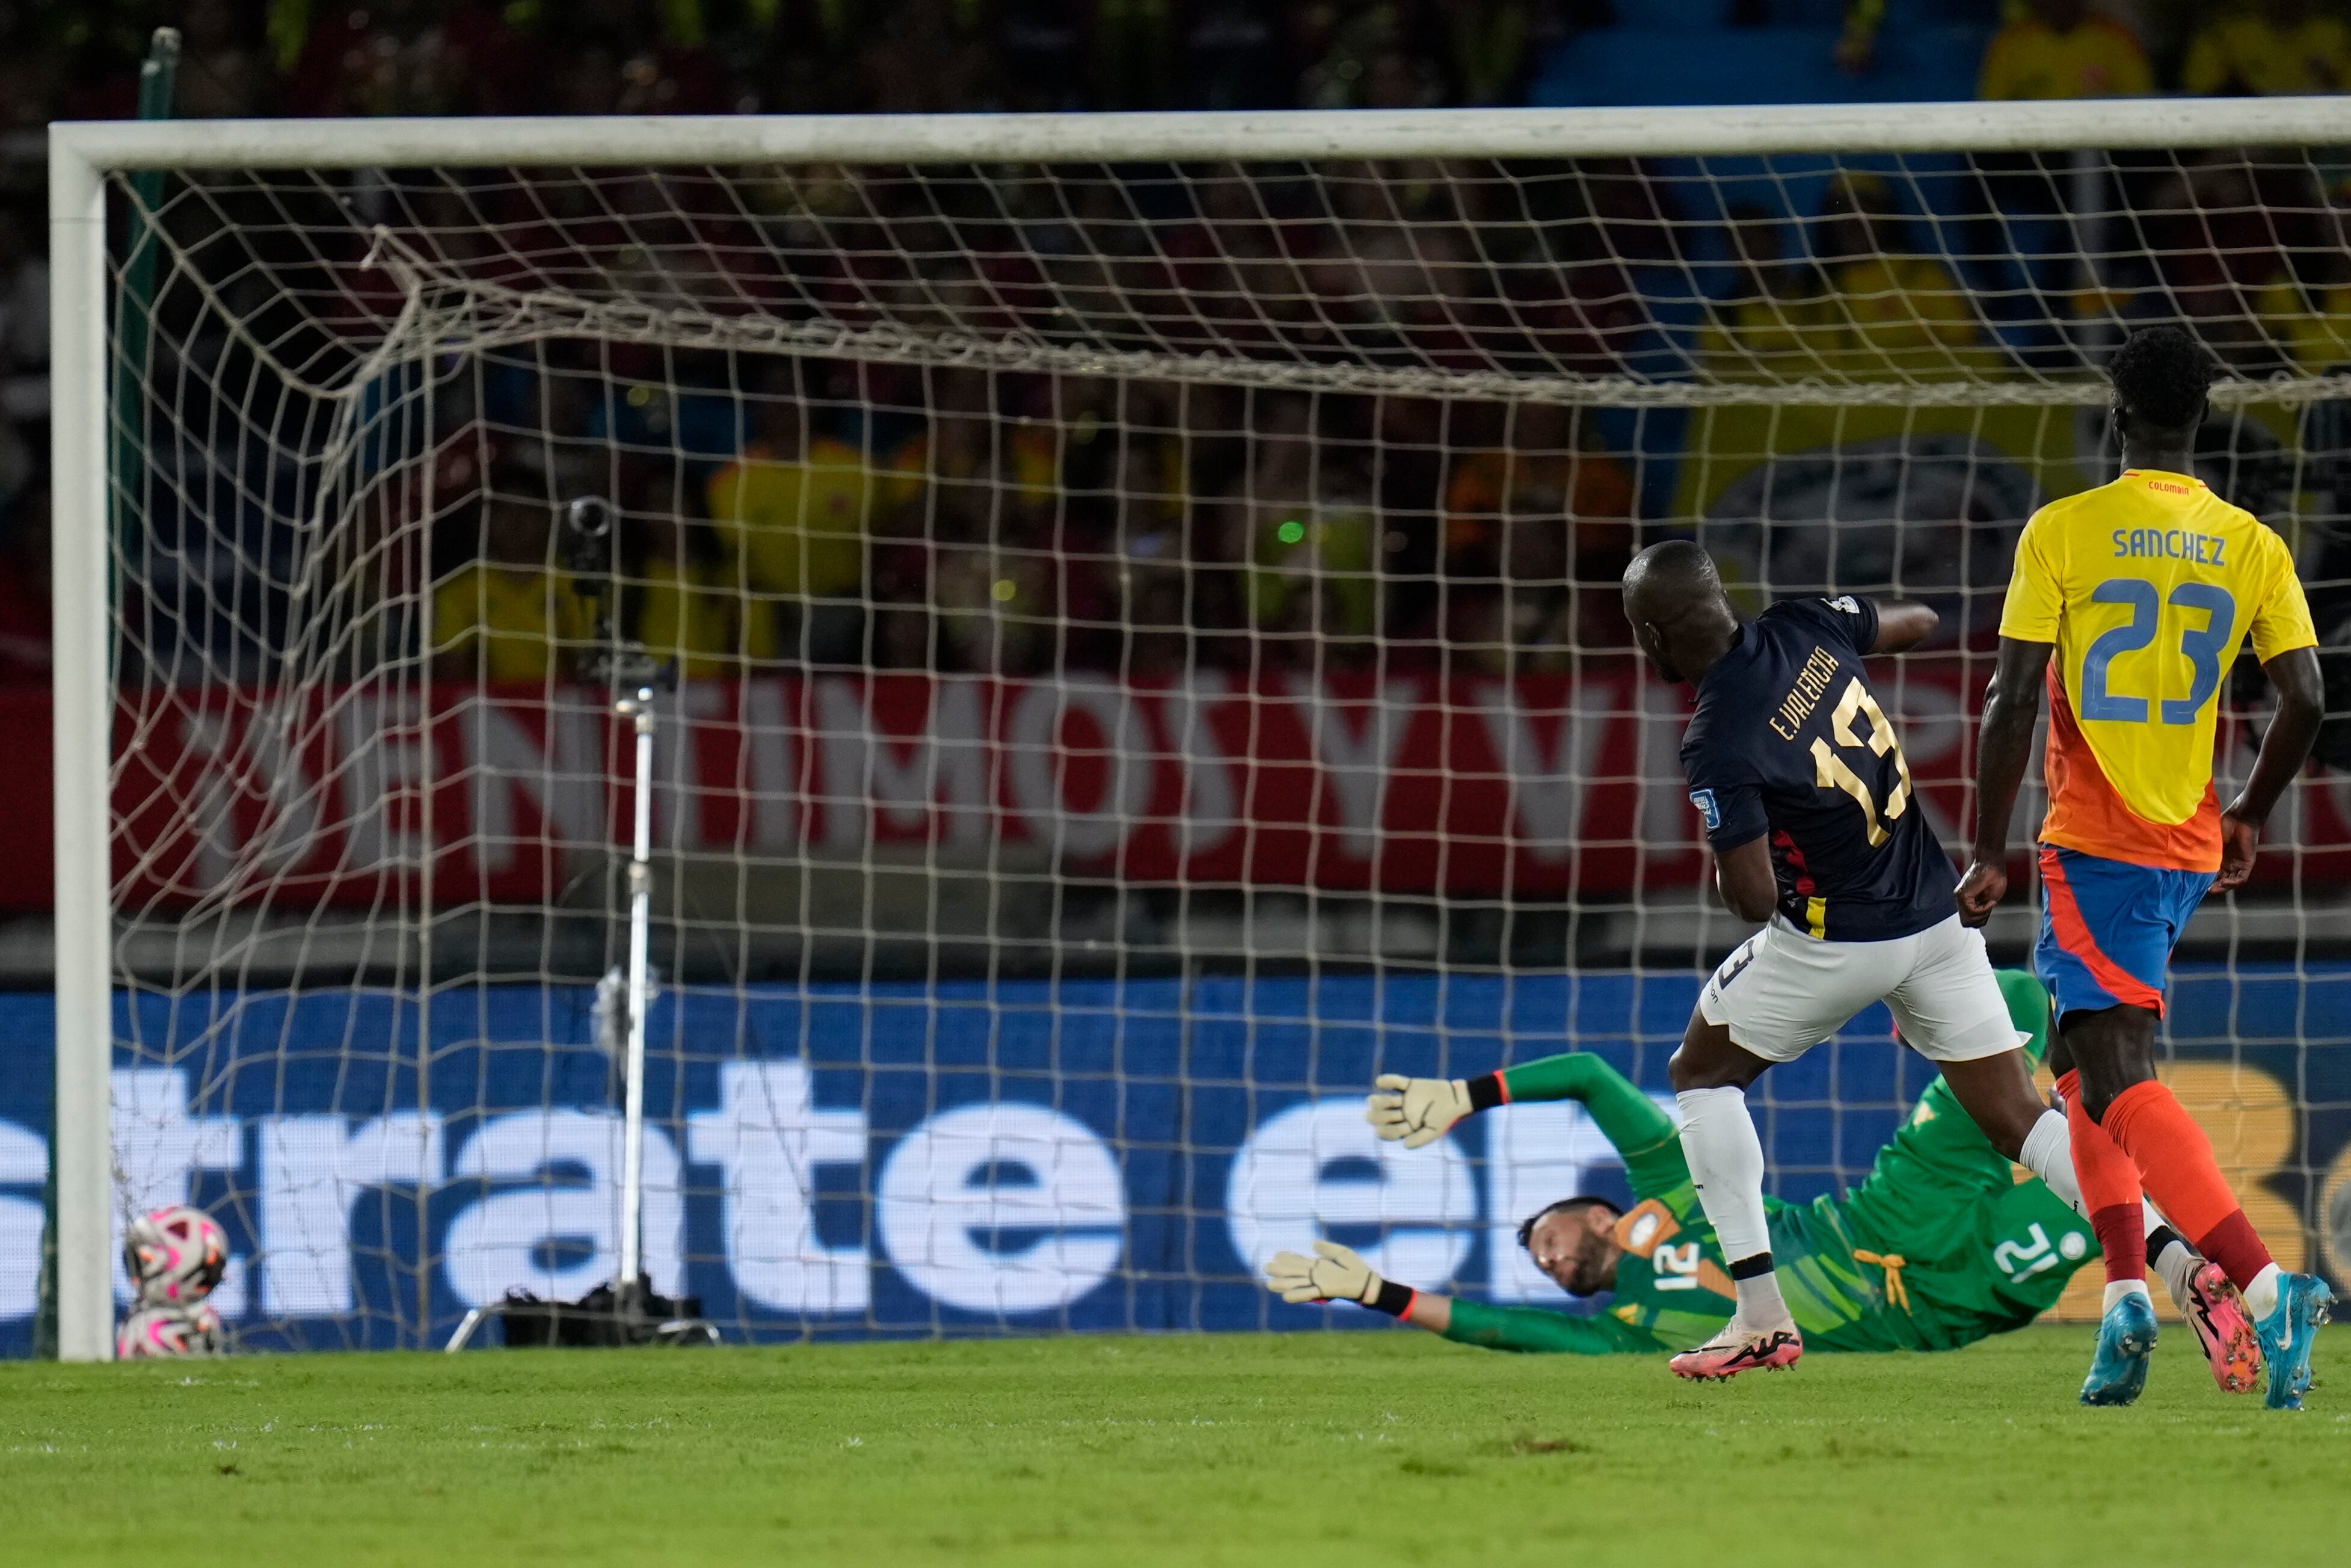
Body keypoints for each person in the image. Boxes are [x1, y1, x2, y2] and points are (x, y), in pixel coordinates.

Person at [1956, 324, 2332, 1410]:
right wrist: (2248, 812)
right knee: (2077, 1064)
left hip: (2096, 838)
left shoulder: (2063, 531)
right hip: (2182, 839)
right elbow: (2304, 696)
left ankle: (2269, 1287)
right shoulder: (2249, 541)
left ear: (2113, 418)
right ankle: (2126, 1291)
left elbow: (2009, 697)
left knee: (2112, 1067)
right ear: (2200, 420)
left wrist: (1983, 845)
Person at [1609, 540, 2091, 1383]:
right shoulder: (1805, 622)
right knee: (2019, 1116)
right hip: (1935, 916)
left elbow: (1754, 899)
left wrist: (1728, 850)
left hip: (1840, 940)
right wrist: (1847, 648)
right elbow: (1920, 619)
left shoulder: (1716, 734)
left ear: (1654, 634)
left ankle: (1759, 1312)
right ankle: (2179, 1259)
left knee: (1700, 1074)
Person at [1267, 970, 2252, 1380]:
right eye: (1540, 1260)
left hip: (1887, 1209)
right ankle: (2191, 1266)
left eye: (1546, 1232)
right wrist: (1370, 1287)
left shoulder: (1671, 1179)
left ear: (1592, 1206)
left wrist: (1463, 1095)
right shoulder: (1624, 1330)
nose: (1547, 1254)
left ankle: (2167, 1243)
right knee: (2099, 1189)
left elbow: (1584, 1076)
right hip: (1940, 1302)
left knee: (2011, 998)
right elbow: (1497, 1329)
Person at [2182, 0, 2351, 97]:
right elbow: (2200, 94)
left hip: (2322, 137)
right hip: (2247, 133)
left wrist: (2330, 82)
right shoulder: (2228, 34)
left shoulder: (2336, 34)